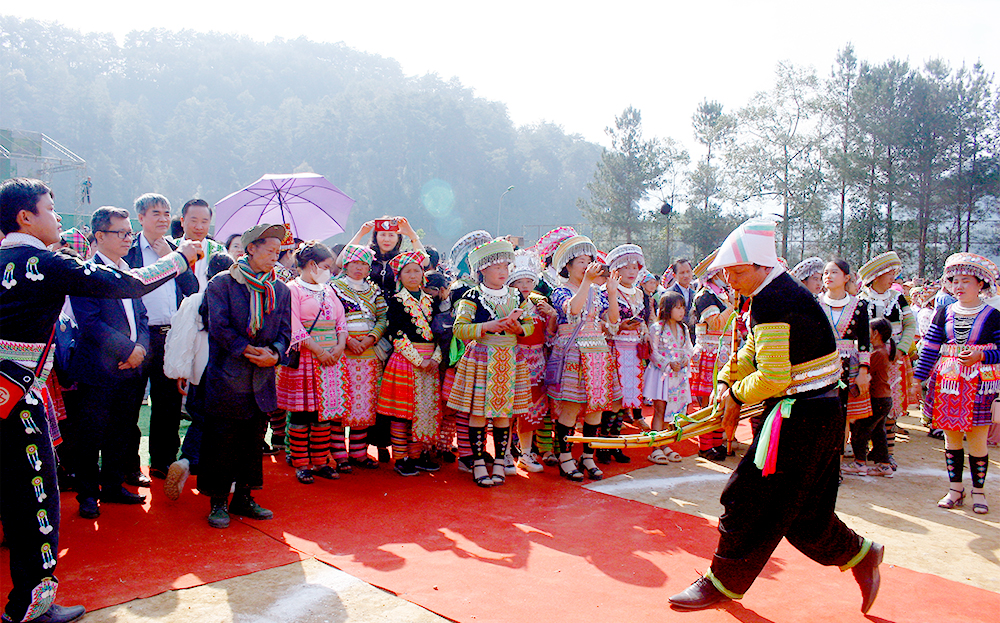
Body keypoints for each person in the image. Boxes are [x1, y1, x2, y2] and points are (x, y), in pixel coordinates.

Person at [1, 177, 201, 623]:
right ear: (25, 217)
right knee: (33, 499)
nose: (56, 217)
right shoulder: (44, 262)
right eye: (50, 209)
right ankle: (30, 607)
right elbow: (130, 282)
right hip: (17, 400)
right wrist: (179, 258)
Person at [668, 219, 883, 615]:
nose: (730, 280)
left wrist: (734, 394)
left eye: (736, 272)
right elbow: (751, 351)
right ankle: (862, 554)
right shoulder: (772, 293)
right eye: (727, 273)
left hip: (801, 419)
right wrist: (724, 382)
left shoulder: (774, 299)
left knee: (744, 496)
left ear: (761, 267)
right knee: (805, 518)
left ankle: (722, 581)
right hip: (812, 415)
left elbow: (772, 376)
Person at [200, 224, 291, 529]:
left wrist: (276, 353)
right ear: (250, 249)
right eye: (269, 250)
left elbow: (285, 332)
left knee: (254, 441)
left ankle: (245, 496)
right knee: (222, 441)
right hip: (228, 375)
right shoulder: (222, 284)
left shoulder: (280, 289)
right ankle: (217, 502)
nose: (275, 257)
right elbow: (219, 327)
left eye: (278, 252)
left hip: (262, 377)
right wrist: (248, 350)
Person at [66, 207, 152, 518]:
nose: (129, 239)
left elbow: (142, 316)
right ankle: (88, 494)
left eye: (130, 233)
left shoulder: (128, 271)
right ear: (100, 236)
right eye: (122, 233)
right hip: (99, 369)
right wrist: (128, 350)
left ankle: (114, 485)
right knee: (91, 434)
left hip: (132, 367)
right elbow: (90, 323)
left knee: (122, 429)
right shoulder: (84, 274)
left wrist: (140, 348)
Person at [914, 253, 999, 515]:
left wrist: (981, 354)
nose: (959, 286)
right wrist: (917, 379)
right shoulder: (943, 313)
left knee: (977, 440)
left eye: (966, 281)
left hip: (981, 384)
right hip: (949, 383)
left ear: (981, 284)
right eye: (954, 281)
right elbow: (930, 347)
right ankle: (955, 489)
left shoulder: (993, 316)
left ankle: (978, 491)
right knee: (951, 438)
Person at [447, 239, 535, 487]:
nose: (503, 271)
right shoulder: (471, 296)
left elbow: (529, 325)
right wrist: (488, 326)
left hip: (509, 358)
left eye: (506, 267)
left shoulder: (517, 295)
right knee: (478, 414)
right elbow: (460, 329)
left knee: (503, 415)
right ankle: (477, 463)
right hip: (483, 356)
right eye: (497, 267)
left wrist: (518, 327)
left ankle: (498, 461)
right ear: (482, 269)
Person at [124, 193, 200, 481]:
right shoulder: (128, 250)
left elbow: (192, 287)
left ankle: (164, 462)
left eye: (166, 213)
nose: (162, 218)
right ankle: (130, 466)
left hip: (171, 336)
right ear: (140, 218)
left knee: (168, 405)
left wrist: (170, 258)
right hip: (140, 338)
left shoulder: (176, 249)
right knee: (132, 404)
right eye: (155, 213)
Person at [546, 235, 622, 482]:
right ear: (567, 266)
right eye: (580, 261)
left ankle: (587, 454)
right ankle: (565, 457)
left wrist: (611, 292)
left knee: (597, 406)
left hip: (597, 352)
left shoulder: (597, 290)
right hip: (573, 352)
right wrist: (588, 283)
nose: (587, 265)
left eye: (589, 260)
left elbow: (612, 321)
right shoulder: (560, 290)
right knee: (570, 406)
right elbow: (573, 310)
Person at [162, 252, 234, 500]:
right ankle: (201, 466)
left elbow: (181, 338)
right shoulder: (235, 299)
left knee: (201, 419)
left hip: (198, 371)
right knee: (222, 425)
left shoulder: (194, 300)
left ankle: (187, 461)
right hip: (228, 372)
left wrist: (180, 371)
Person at [276, 242, 348, 484]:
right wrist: (318, 350)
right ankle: (301, 463)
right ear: (312, 265)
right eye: (326, 266)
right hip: (307, 357)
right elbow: (293, 325)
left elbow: (341, 321)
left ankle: (319, 461)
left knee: (323, 413)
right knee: (301, 414)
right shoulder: (292, 290)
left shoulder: (329, 291)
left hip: (331, 360)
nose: (329, 271)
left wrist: (339, 346)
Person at [376, 250, 443, 476]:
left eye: (417, 270)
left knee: (425, 409)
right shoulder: (395, 301)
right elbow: (396, 334)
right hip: (407, 359)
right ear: (399, 276)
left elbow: (441, 333)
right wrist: (418, 359)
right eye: (407, 271)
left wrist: (434, 358)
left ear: (423, 274)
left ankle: (418, 454)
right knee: (402, 413)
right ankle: (401, 457)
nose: (413, 275)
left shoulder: (431, 301)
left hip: (429, 361)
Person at [329, 244, 388, 470]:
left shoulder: (374, 291)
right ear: (345, 264)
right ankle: (339, 453)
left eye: (364, 264)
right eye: (355, 263)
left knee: (363, 403)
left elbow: (383, 318)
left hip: (369, 354)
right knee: (340, 403)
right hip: (342, 352)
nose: (359, 268)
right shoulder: (333, 288)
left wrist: (370, 338)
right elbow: (330, 317)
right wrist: (347, 340)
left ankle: (358, 452)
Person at [857, 251, 917, 469]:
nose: (893, 277)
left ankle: (887, 453)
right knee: (866, 405)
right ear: (877, 275)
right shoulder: (861, 300)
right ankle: (862, 451)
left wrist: (901, 349)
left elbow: (910, 325)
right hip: (868, 360)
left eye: (894, 273)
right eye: (889, 273)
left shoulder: (898, 298)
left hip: (895, 359)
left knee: (889, 406)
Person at [507, 249, 557, 472]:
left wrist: (553, 315)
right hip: (512, 359)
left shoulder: (541, 303)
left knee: (531, 409)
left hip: (537, 361)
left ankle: (526, 454)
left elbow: (550, 337)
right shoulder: (506, 302)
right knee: (507, 409)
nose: (525, 285)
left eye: (529, 280)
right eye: (520, 281)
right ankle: (505, 452)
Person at [600, 244, 649, 463]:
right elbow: (603, 323)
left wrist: (644, 331)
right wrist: (620, 326)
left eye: (635, 267)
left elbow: (644, 318)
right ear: (616, 269)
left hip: (633, 349)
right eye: (626, 267)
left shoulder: (639, 293)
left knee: (625, 399)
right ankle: (603, 443)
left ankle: (615, 440)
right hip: (613, 347)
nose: (632, 271)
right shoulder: (607, 292)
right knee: (613, 398)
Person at [819, 260, 873, 460]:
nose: (828, 276)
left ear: (846, 277)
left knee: (842, 414)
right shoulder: (816, 303)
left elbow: (865, 341)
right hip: (820, 364)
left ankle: (836, 462)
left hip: (847, 366)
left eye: (834, 272)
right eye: (825, 272)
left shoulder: (858, 306)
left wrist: (864, 371)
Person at [689, 251, 735, 460]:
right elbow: (716, 323)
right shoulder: (705, 295)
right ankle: (705, 445)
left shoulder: (722, 294)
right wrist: (733, 306)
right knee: (707, 401)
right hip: (710, 353)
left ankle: (717, 442)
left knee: (720, 400)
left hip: (724, 353)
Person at [642, 292, 690, 464]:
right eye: (678, 307)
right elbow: (652, 353)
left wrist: (685, 360)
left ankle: (666, 444)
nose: (681, 311)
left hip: (678, 376)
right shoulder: (657, 328)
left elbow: (687, 349)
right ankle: (655, 447)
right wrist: (668, 363)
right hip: (661, 375)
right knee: (660, 410)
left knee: (674, 411)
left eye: (683, 307)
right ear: (667, 308)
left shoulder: (683, 328)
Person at [843, 319, 894, 478]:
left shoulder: (877, 354)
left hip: (876, 399)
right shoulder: (882, 351)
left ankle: (859, 463)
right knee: (878, 431)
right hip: (883, 399)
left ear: (876, 333)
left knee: (860, 430)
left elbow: (864, 372)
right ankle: (884, 465)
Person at [178, 199, 227, 291]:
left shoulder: (218, 251)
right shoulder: (171, 248)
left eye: (204, 222)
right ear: (182, 221)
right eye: (194, 221)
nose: (199, 227)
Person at [668, 258, 697, 337]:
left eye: (688, 272)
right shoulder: (669, 294)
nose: (686, 275)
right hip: (674, 335)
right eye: (682, 273)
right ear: (674, 275)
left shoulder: (695, 294)